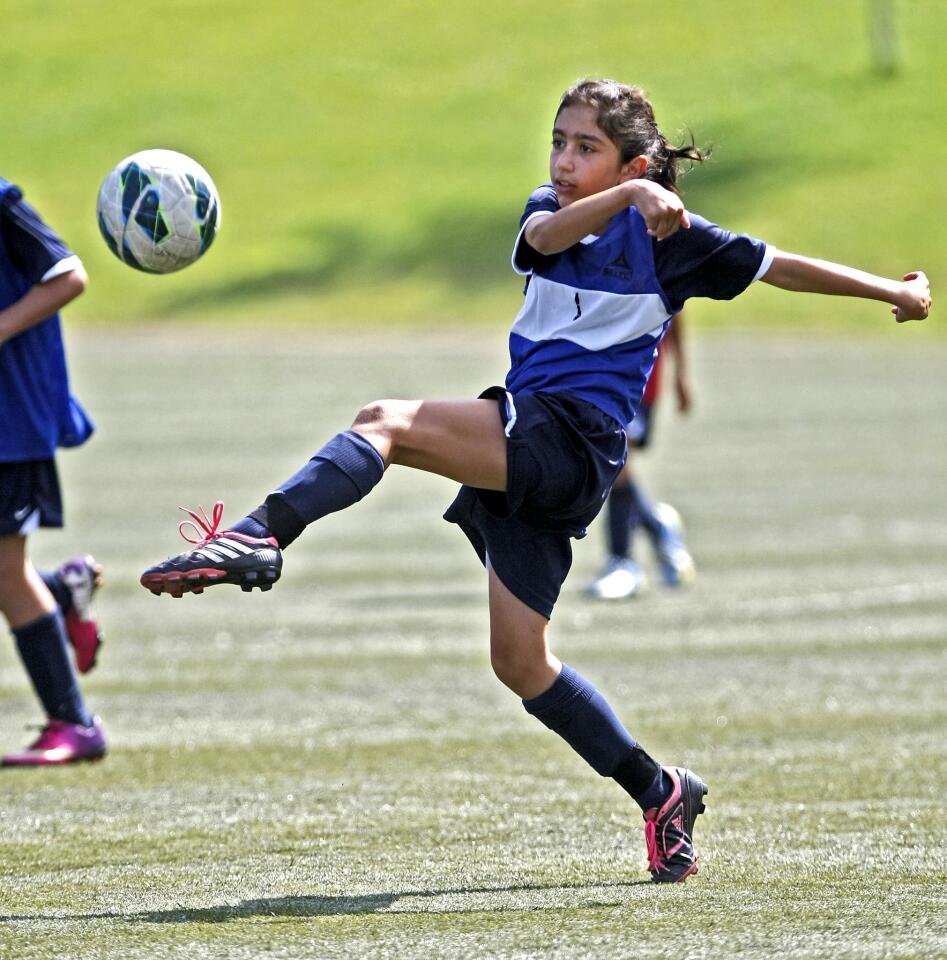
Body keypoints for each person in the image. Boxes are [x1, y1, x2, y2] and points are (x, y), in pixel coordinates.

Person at [139, 79, 930, 882]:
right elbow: (547, 238)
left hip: (569, 440)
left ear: (637, 158)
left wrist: (894, 292)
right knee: (520, 664)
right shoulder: (551, 209)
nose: (562, 160)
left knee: (383, 420)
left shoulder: (673, 242)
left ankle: (259, 533)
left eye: (586, 148)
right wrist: (627, 192)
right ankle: (659, 791)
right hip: (534, 441)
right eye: (559, 141)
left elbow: (779, 267)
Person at [0, 176, 106, 767]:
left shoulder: (1, 203)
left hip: (8, 421)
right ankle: (59, 592)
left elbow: (69, 276)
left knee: (3, 570)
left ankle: (74, 723)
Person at [586, 310, 695, 599]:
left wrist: (681, 372)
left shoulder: (655, 264)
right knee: (605, 464)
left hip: (636, 383)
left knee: (616, 465)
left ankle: (621, 562)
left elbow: (675, 306)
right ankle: (657, 526)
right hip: (591, 378)